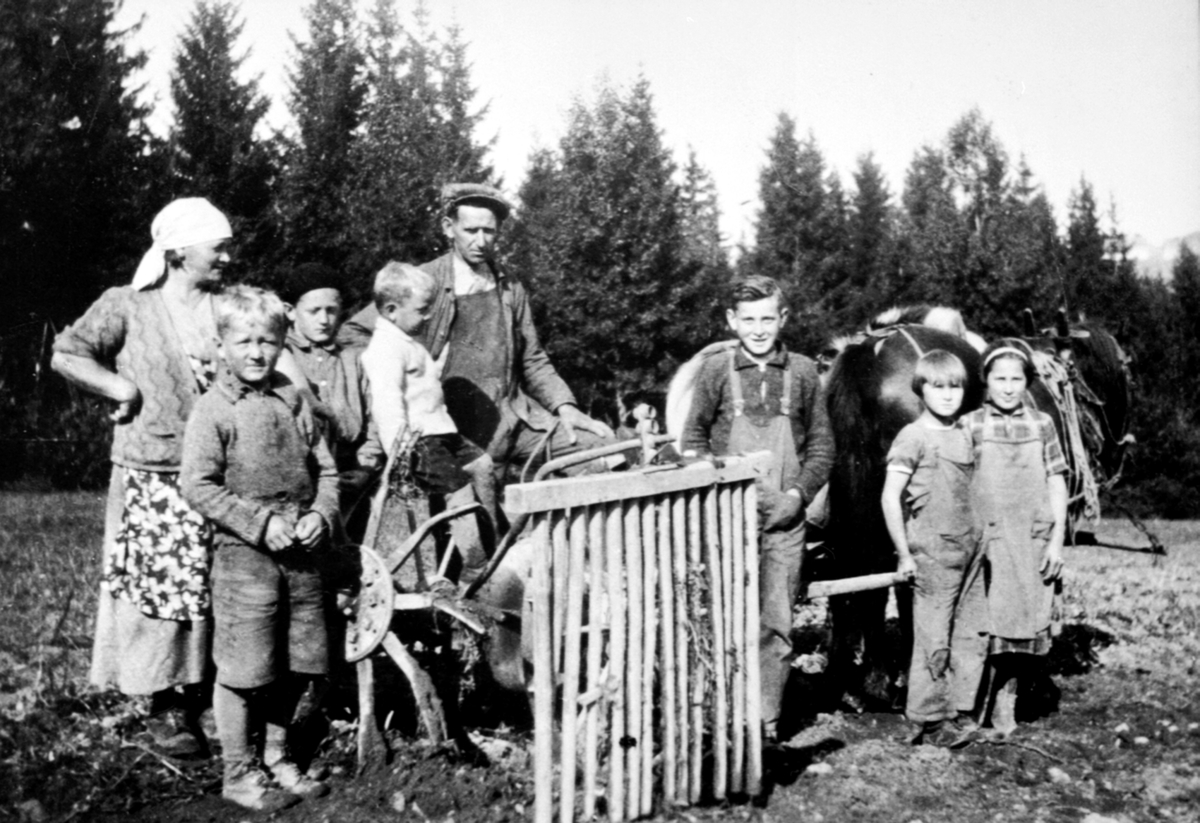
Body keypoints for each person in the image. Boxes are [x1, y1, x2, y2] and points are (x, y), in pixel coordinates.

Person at [51, 197, 232, 757]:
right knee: (162, 587)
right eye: (218, 246)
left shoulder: (229, 308)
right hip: (154, 471)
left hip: (222, 472)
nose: (229, 256)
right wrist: (120, 389)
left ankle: (208, 694)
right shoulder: (127, 305)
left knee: (214, 583)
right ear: (178, 251)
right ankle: (163, 706)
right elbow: (67, 353)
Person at [341, 183, 615, 509]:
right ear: (448, 227)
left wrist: (565, 407)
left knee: (603, 446)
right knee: (478, 521)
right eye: (471, 230)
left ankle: (584, 548)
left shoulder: (510, 287)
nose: (481, 241)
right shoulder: (421, 283)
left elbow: (533, 358)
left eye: (490, 231)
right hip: (456, 429)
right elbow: (353, 334)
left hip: (516, 418)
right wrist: (404, 380)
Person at [181, 286, 340, 810]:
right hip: (245, 557)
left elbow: (329, 472)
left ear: (281, 343)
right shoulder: (213, 410)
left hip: (302, 555)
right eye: (244, 341)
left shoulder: (294, 399)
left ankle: (277, 755)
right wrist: (257, 522)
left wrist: (321, 512)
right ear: (220, 344)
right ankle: (238, 771)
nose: (256, 352)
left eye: (268, 341)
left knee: (297, 660)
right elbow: (198, 486)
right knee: (245, 668)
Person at [679, 274, 835, 746]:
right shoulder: (715, 372)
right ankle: (726, 716)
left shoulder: (805, 372)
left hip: (784, 521)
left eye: (768, 317)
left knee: (776, 622)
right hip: (727, 518)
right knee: (725, 617)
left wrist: (798, 497)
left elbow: (823, 447)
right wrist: (712, 484)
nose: (759, 328)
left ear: (783, 318)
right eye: (748, 319)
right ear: (732, 321)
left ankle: (765, 723)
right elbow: (691, 441)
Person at [360, 262, 495, 583]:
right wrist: (400, 448)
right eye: (422, 309)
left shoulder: (407, 342)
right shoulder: (384, 349)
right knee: (459, 495)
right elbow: (387, 401)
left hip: (442, 432)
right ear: (392, 310)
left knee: (484, 465)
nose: (429, 316)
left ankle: (494, 541)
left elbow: (425, 382)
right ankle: (476, 567)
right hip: (420, 442)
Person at [962, 339, 1068, 739]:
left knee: (1024, 621)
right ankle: (973, 704)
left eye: (1016, 379)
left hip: (1030, 537)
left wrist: (1056, 542)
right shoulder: (970, 424)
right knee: (983, 621)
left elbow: (1057, 481)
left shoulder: (1043, 424)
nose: (1008, 387)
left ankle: (1006, 700)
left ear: (1027, 382)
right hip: (988, 539)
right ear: (986, 381)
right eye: (999, 378)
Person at [881, 350, 986, 746]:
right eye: (937, 387)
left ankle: (956, 709)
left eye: (955, 387)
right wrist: (905, 553)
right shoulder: (913, 436)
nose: (947, 396)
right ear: (920, 390)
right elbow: (890, 498)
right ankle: (927, 719)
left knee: (967, 633)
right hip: (933, 552)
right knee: (932, 636)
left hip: (970, 546)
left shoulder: (963, 433)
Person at [278, 262, 383, 534]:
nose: (324, 320)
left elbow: (375, 418)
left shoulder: (352, 359)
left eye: (331, 310)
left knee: (350, 551)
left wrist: (365, 467)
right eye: (314, 311)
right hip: (300, 476)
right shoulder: (281, 355)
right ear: (290, 312)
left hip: (349, 474)